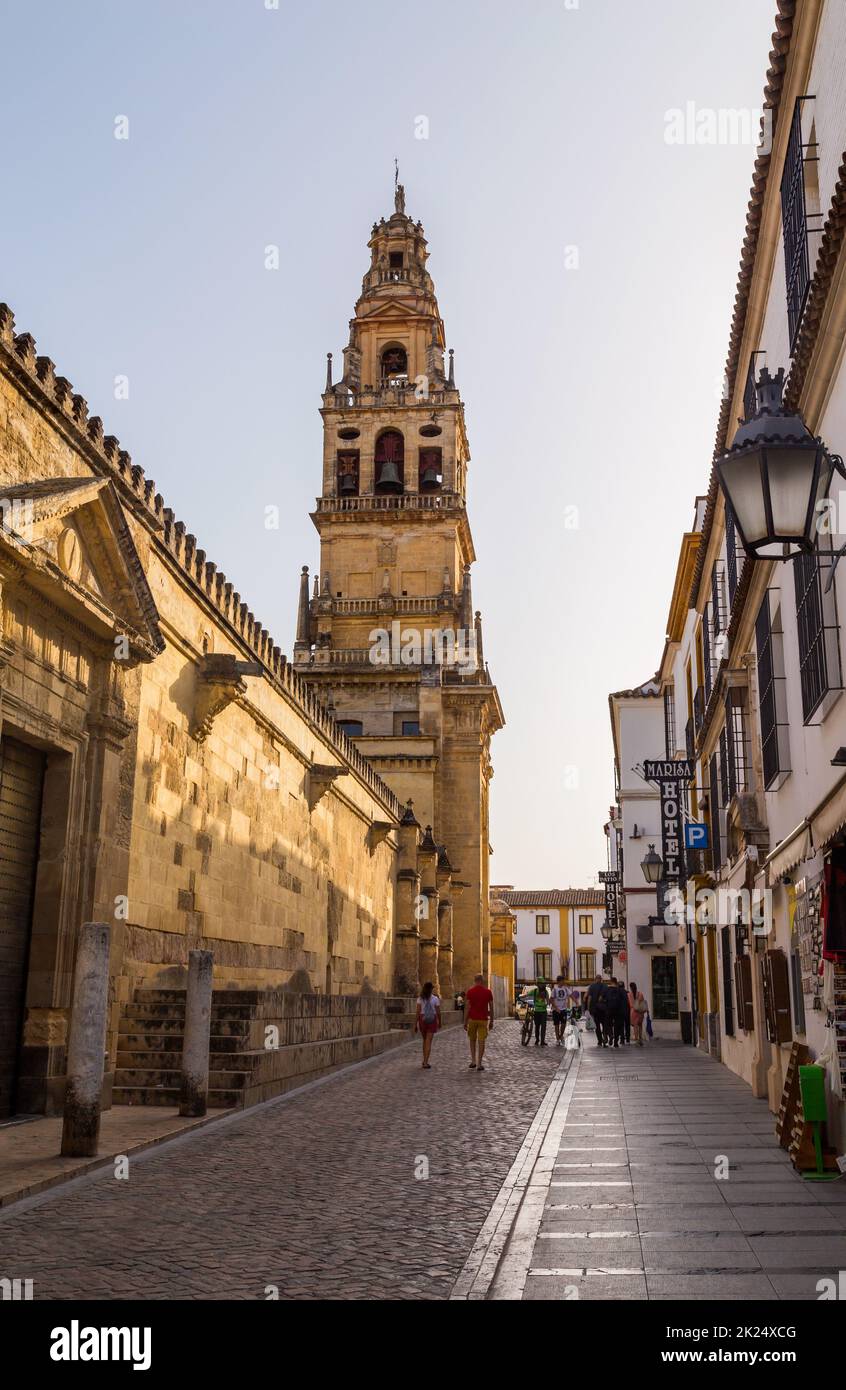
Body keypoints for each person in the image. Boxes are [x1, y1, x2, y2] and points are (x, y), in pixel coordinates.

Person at [464, 973, 494, 1071]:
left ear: (475, 980)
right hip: (483, 1020)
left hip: (472, 1019)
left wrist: (465, 1021)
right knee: (481, 1041)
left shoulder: (470, 991)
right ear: (482, 981)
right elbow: (491, 1007)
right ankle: (479, 1063)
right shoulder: (488, 992)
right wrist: (492, 1021)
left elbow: (467, 1007)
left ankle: (473, 1061)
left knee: (472, 1040)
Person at [414, 981, 441, 1068]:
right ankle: (425, 1062)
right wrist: (439, 1021)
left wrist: (415, 1024)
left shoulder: (420, 998)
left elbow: (417, 1012)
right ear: (431, 989)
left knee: (425, 1040)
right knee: (428, 1041)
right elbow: (438, 1012)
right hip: (432, 1019)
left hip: (422, 1019)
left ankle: (424, 1060)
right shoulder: (435, 999)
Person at [605, 977, 628, 1048]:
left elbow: (602, 999)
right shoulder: (621, 990)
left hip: (609, 1010)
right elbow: (625, 1001)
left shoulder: (607, 990)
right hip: (618, 1011)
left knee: (608, 1024)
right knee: (617, 1026)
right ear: (616, 982)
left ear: (610, 982)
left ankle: (610, 1035)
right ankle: (616, 1042)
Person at [586, 974, 608, 1047]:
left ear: (595, 979)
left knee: (597, 1026)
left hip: (595, 1009)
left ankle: (599, 1041)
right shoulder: (605, 986)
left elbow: (589, 998)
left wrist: (588, 1009)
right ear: (601, 979)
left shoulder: (592, 986)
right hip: (604, 1009)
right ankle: (605, 1037)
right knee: (604, 1024)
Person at [550, 976, 569, 1045]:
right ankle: (557, 1039)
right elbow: (551, 999)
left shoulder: (565, 988)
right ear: (559, 981)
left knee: (564, 1024)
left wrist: (576, 1002)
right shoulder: (554, 989)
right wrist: (556, 1008)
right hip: (556, 1010)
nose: (563, 982)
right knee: (556, 1025)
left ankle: (561, 1036)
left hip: (563, 1009)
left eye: (563, 980)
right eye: (562, 981)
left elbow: (571, 995)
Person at [532, 978, 550, 1046]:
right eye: (540, 983)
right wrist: (521, 996)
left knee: (543, 1027)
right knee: (537, 1026)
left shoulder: (546, 992)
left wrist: (547, 1003)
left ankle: (542, 1041)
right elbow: (527, 995)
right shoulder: (534, 991)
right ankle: (537, 1040)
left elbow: (548, 1001)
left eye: (543, 984)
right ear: (538, 984)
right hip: (536, 1011)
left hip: (543, 1012)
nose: (542, 985)